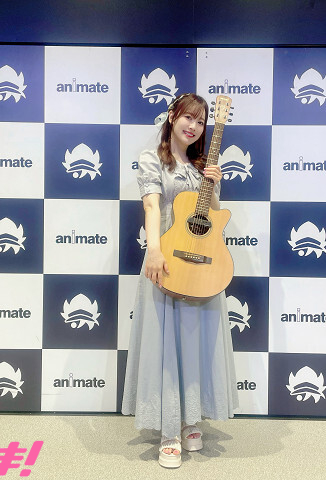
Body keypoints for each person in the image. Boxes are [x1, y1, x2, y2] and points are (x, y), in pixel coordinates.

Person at [121, 93, 239, 468]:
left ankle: (191, 421)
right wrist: (153, 251)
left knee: (196, 343)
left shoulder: (204, 166)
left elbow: (215, 218)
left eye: (201, 121)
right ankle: (169, 430)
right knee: (165, 347)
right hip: (167, 261)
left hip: (203, 266)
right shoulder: (152, 159)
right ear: (172, 116)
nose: (194, 126)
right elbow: (151, 205)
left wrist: (214, 187)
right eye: (189, 117)